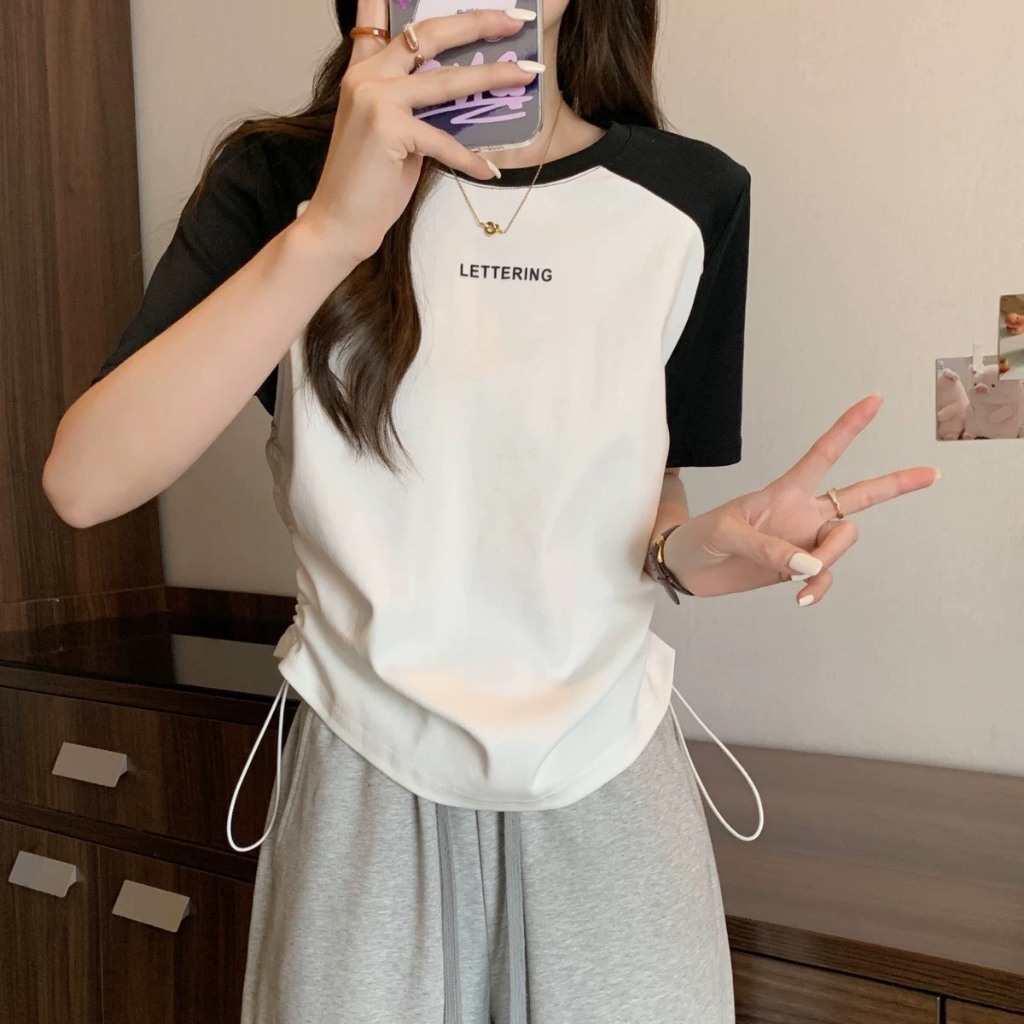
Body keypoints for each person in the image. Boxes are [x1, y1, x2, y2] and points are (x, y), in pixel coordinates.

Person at [42, 1, 939, 1021]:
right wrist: (332, 229)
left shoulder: (692, 198)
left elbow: (646, 492)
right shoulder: (281, 181)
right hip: (363, 776)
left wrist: (685, 551)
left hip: (608, 773)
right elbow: (85, 482)